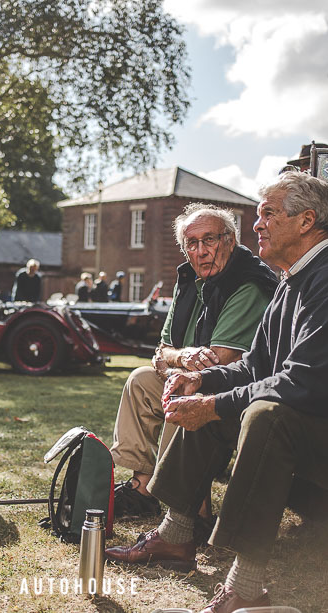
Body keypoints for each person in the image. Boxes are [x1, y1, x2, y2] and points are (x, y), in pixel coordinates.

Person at [105, 172, 328, 613]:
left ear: (306, 221)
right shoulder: (292, 281)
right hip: (324, 423)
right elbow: (254, 365)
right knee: (216, 404)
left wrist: (213, 403)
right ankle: (175, 538)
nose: (257, 225)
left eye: (268, 213)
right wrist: (204, 382)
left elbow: (305, 383)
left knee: (264, 415)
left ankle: (246, 586)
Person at [109, 203, 278, 537]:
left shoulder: (247, 284)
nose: (200, 252)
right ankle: (142, 488)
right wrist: (181, 355)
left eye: (209, 240)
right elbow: (161, 352)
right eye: (192, 243)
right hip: (190, 376)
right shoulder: (189, 280)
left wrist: (176, 363)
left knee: (186, 389)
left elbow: (220, 362)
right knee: (141, 380)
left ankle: (191, 512)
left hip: (240, 394)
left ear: (230, 240)